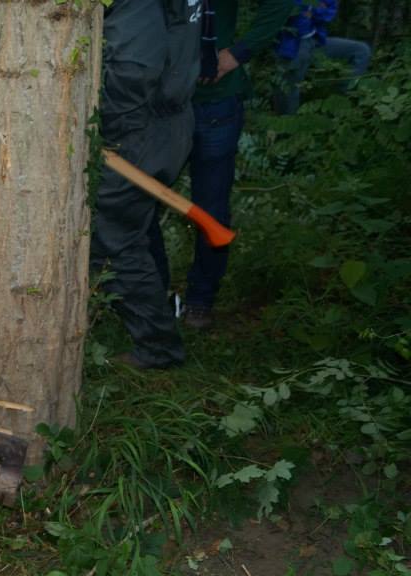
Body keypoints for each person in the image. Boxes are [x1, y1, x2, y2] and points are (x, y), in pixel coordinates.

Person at [90, 0, 201, 369]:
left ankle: (158, 347)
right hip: (166, 120)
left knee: (111, 242)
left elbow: (133, 69)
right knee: (132, 233)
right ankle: (153, 318)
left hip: (137, 128)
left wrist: (103, 125)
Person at [183, 0, 294, 329]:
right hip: (158, 106)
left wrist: (237, 53)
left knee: (211, 206)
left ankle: (200, 300)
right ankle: (150, 294)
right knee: (139, 199)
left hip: (214, 105)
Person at [273, 0, 371, 115]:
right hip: (293, 43)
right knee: (289, 87)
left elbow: (328, 13)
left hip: (316, 42)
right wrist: (312, 7)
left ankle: (341, 104)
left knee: (361, 50)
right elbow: (293, 13)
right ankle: (287, 125)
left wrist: (312, 9)